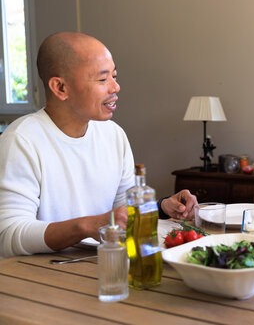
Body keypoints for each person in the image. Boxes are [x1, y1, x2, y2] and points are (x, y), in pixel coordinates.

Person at [0, 32, 196, 258]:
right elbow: (9, 236)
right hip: (39, 278)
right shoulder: (21, 140)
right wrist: (89, 225)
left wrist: (162, 207)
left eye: (114, 76)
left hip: (100, 267)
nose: (115, 87)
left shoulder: (114, 135)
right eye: (103, 80)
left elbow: (123, 214)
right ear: (60, 88)